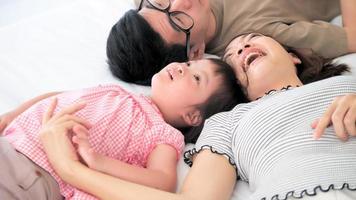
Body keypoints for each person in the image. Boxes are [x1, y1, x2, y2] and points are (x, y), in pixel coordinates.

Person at [37, 34, 356, 200]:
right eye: (232, 57)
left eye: (251, 40)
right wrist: (71, 170)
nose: (241, 49)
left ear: (292, 55)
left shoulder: (347, 84)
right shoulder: (228, 124)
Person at [0, 58, 246, 199]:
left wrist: (98, 162)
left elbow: (163, 182)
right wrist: (13, 114)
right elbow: (60, 95)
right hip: (12, 140)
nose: (182, 67)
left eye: (196, 78)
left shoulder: (161, 133)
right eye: (190, 63)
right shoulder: (121, 91)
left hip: (35, 171)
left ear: (193, 116)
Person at [108, 0, 356, 85]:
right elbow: (351, 36)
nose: (181, 2)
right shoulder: (260, 35)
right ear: (195, 53)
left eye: (161, 4)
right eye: (177, 21)